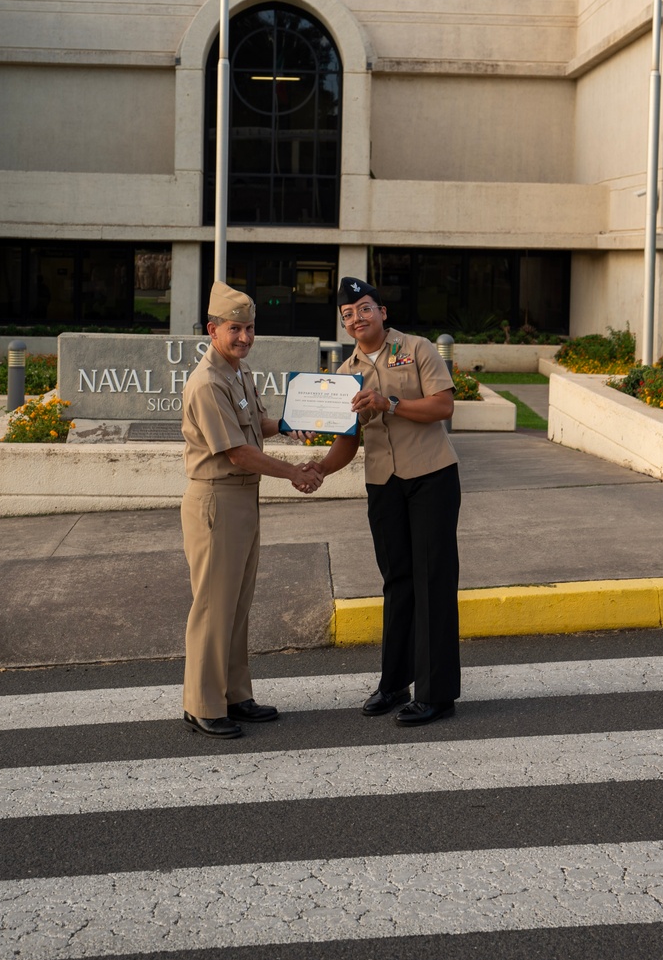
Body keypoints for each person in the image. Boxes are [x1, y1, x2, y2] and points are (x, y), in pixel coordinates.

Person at [307, 278, 461, 726]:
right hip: (384, 484)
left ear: (382, 312)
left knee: (433, 580)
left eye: (364, 308)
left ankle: (437, 694)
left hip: (431, 476)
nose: (357, 318)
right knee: (397, 582)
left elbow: (443, 406)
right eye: (348, 314)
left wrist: (389, 401)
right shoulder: (343, 375)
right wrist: (318, 468)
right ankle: (394, 684)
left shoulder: (417, 349)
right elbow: (347, 442)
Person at [181, 280, 321, 739]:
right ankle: (202, 704)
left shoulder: (237, 373)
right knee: (213, 607)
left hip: (243, 499)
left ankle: (235, 695)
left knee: (237, 605)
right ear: (212, 329)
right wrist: (295, 473)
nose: (244, 337)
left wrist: (284, 422)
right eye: (235, 329)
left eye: (250, 328)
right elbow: (237, 452)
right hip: (217, 499)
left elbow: (254, 424)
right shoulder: (206, 382)